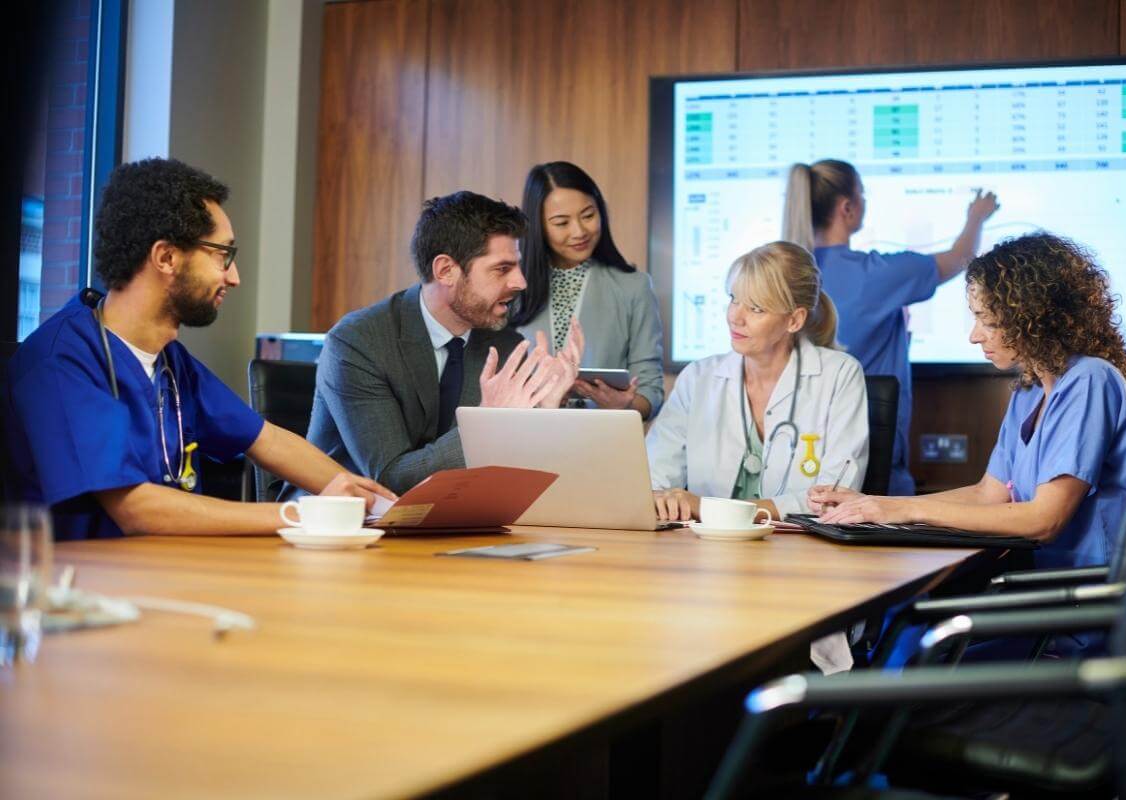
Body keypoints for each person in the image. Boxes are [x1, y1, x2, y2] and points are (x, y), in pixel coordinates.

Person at [3, 157, 393, 540]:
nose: (234, 277)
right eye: (223, 255)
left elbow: (267, 440)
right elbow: (135, 509)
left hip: (166, 571)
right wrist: (305, 514)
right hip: (84, 589)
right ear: (166, 257)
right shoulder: (63, 361)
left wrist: (380, 506)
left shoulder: (171, 363)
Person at [811, 232, 1126, 574]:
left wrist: (903, 512)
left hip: (1085, 598)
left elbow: (1044, 520)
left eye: (989, 321)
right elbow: (989, 493)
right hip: (1044, 586)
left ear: (1035, 317)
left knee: (913, 619)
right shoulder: (1030, 390)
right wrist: (876, 505)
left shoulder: (1090, 379)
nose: (975, 335)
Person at [294, 191, 583, 498]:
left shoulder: (507, 345)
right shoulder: (358, 343)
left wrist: (547, 412)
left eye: (517, 266)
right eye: (502, 269)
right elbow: (391, 479)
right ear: (445, 270)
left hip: (454, 518)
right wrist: (488, 424)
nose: (520, 282)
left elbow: (523, 475)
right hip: (344, 524)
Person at [784, 160, 999, 495]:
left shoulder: (788, 273)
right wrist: (977, 216)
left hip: (801, 459)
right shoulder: (875, 273)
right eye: (863, 193)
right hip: (872, 467)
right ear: (847, 207)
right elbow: (960, 257)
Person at [647, 240, 869, 524]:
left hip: (800, 551)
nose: (734, 317)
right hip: (707, 549)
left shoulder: (840, 375)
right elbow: (654, 478)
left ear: (794, 320)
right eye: (734, 299)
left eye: (755, 308)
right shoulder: (698, 377)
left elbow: (835, 498)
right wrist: (662, 497)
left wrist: (706, 507)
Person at [508, 161, 664, 419]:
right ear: (539, 227)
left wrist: (624, 406)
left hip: (601, 445)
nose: (579, 231)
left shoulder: (634, 287)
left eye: (588, 215)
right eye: (561, 222)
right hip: (525, 441)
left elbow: (652, 392)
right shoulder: (514, 289)